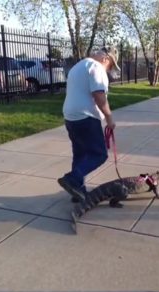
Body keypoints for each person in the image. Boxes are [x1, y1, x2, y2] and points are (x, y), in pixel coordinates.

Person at [57, 46, 121, 202]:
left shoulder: (78, 66)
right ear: (106, 59)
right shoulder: (96, 67)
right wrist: (109, 118)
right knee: (99, 154)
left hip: (70, 117)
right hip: (86, 116)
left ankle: (77, 191)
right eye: (110, 66)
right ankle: (73, 179)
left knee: (80, 154)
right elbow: (99, 95)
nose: (108, 70)